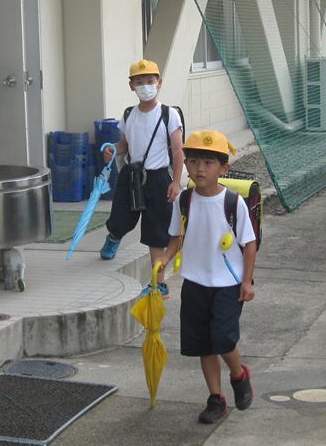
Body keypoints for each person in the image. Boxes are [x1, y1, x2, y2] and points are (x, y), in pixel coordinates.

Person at [160, 130, 256, 424]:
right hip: (194, 283)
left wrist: (247, 281)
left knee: (223, 339)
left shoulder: (233, 202)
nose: (199, 169)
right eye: (194, 161)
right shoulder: (184, 200)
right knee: (203, 343)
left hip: (228, 284)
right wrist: (165, 259)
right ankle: (216, 399)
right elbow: (176, 236)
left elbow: (249, 243)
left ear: (223, 168)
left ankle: (238, 375)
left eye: (208, 162)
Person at [101, 59, 185, 267]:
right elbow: (124, 144)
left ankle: (158, 278)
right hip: (131, 175)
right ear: (131, 86)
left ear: (159, 82)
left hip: (158, 179)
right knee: (121, 216)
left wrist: (176, 181)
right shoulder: (129, 114)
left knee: (156, 229)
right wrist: (112, 149)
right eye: (139, 82)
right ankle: (114, 237)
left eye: (150, 81)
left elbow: (178, 150)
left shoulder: (169, 114)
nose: (145, 86)